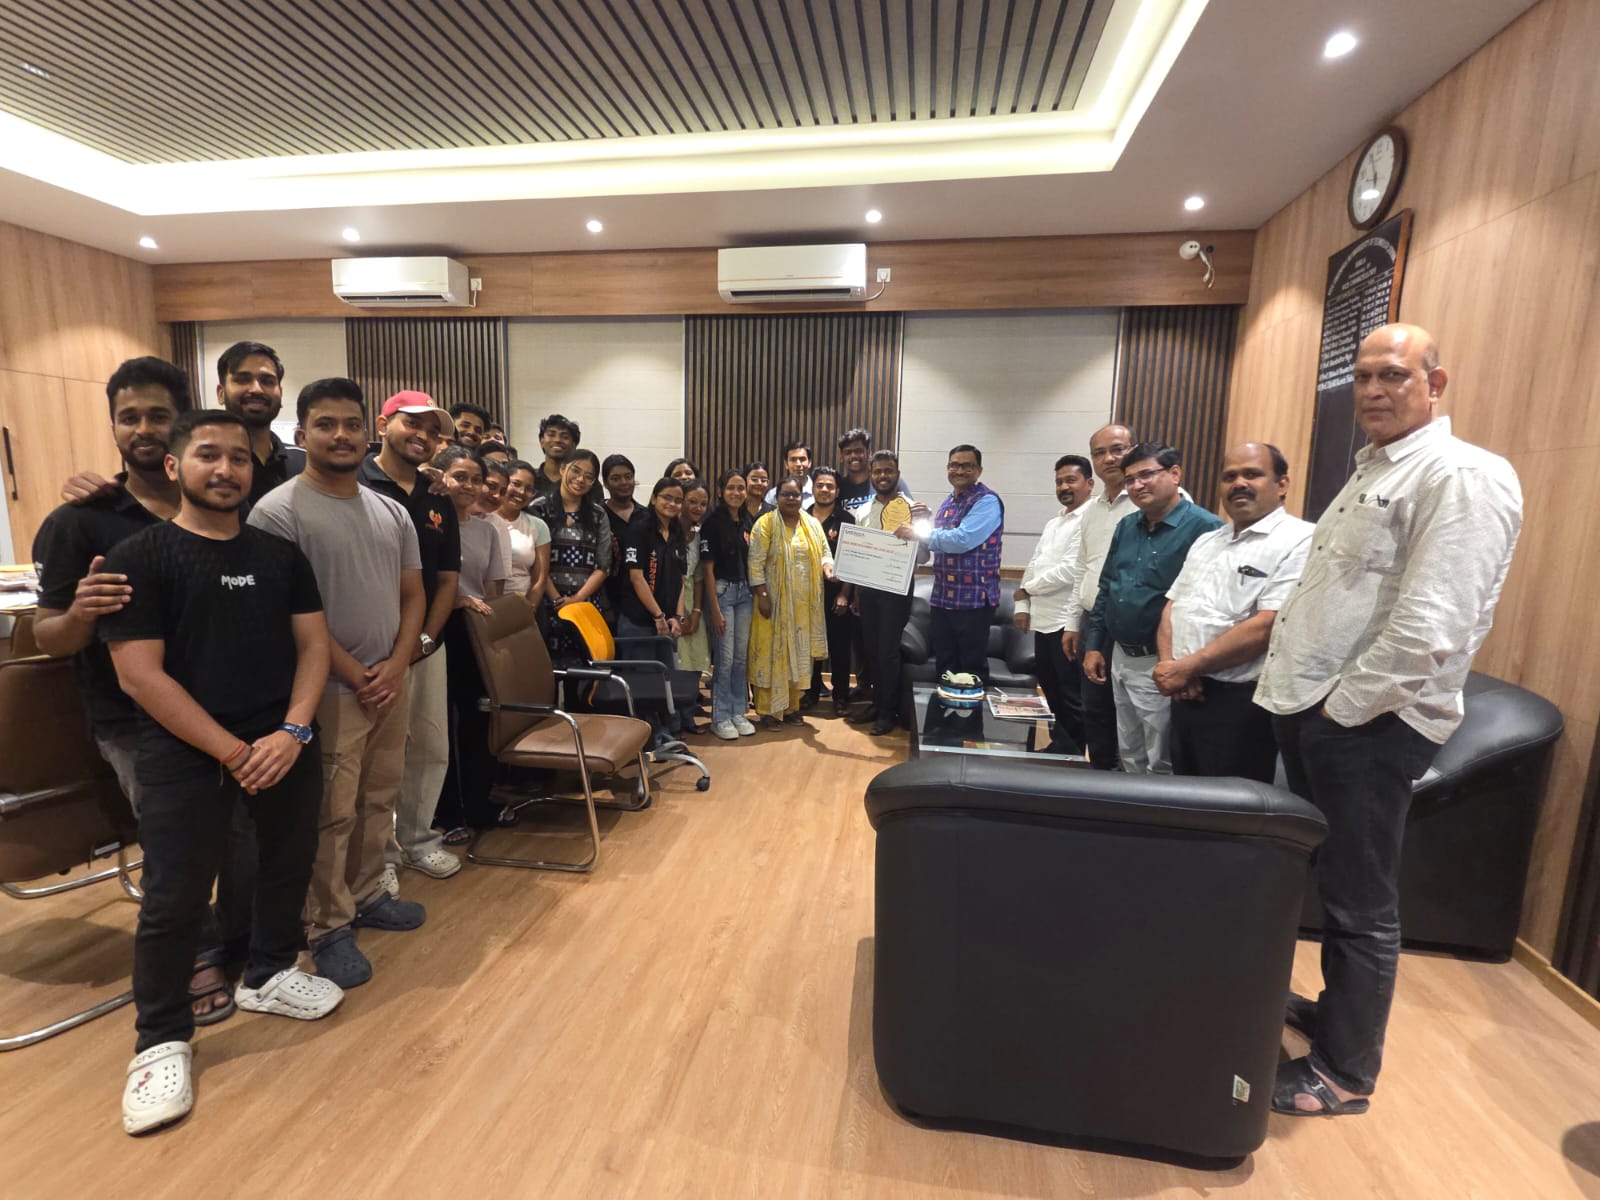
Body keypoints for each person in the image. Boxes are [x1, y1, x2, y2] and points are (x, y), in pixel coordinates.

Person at [1254, 324, 1522, 1118]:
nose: (1373, 390)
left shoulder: (1461, 474)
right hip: (1316, 707)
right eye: (1364, 375)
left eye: (1394, 375)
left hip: (1370, 721)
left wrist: (1341, 712)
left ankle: (1343, 1074)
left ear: (1435, 384)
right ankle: (1334, 1017)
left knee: (1360, 901)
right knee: (1335, 884)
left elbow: (1433, 623)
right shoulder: (1376, 467)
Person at [101, 409, 340, 1136]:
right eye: (209, 454)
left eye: (238, 457)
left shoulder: (279, 555)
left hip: (283, 739)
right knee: (174, 896)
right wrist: (234, 752)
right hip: (185, 751)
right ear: (176, 466)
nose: (226, 469)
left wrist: (293, 730)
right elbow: (140, 676)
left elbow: (314, 648)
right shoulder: (141, 556)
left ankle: (268, 972)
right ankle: (160, 1039)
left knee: (286, 862)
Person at [31, 357, 248, 1023]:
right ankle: (193, 960)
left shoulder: (220, 502)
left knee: (240, 836)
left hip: (229, 706)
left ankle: (240, 940)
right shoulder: (82, 522)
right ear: (113, 427)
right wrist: (82, 611)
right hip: (133, 719)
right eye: (129, 417)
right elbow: (50, 636)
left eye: (158, 415)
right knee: (175, 850)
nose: (143, 429)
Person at [247, 378, 427, 989]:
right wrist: (357, 673)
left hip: (390, 681)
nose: (341, 435)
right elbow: (289, 614)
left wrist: (398, 663)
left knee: (380, 798)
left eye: (351, 424)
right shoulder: (277, 513)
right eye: (326, 425)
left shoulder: (390, 510)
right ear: (302, 435)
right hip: (327, 689)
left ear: (367, 433)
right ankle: (327, 926)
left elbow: (412, 593)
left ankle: (367, 893)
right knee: (331, 814)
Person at [1155, 443, 1313, 781]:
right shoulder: (1207, 541)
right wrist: (1171, 666)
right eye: (1229, 477)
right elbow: (1173, 606)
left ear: (1282, 484)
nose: (1239, 483)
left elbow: (1267, 626)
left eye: (1252, 474)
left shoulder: (1302, 540)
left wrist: (1186, 667)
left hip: (1240, 705)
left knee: (1229, 803)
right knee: (1184, 794)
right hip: (1185, 692)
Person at [358, 391, 462, 885]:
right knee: (375, 760)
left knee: (429, 746)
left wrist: (423, 641)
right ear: (383, 425)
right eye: (412, 423)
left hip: (425, 647)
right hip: (370, 649)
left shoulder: (437, 494)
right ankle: (377, 858)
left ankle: (419, 840)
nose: (423, 435)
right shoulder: (355, 483)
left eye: (432, 430)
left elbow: (447, 579)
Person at [1081, 443, 1220, 774]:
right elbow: (1107, 586)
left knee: (1162, 758)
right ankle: (1130, 803)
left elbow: (1210, 608)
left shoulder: (1205, 529)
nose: (1137, 485)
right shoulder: (1127, 526)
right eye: (1130, 479)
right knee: (1129, 749)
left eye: (1146, 475)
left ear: (1175, 474)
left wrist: (1185, 665)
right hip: (1120, 655)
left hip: (1163, 662)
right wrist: (1095, 645)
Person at [58, 340, 303, 509]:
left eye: (267, 381)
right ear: (220, 393)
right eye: (242, 379)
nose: (256, 389)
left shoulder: (305, 464)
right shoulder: (201, 471)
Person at [427, 446, 508, 838]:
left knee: (477, 720)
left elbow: (493, 590)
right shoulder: (429, 523)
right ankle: (446, 814)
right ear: (442, 477)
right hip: (437, 626)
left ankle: (478, 803)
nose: (470, 486)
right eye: (460, 477)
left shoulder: (486, 530)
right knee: (440, 725)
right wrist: (456, 601)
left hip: (475, 630)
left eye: (477, 479)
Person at [1063, 424, 1138, 770]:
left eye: (1117, 449)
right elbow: (1082, 568)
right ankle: (1101, 779)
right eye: (1099, 453)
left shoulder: (1150, 502)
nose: (1109, 458)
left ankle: (1131, 787)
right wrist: (1071, 623)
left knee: (1131, 716)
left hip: (1132, 625)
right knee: (1095, 710)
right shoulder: (1092, 510)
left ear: (1133, 450)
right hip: (1092, 621)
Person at [897, 444, 1002, 680]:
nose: (960, 470)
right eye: (954, 465)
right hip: (943, 598)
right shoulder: (947, 504)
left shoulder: (987, 501)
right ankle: (944, 705)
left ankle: (971, 706)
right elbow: (935, 543)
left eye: (967, 466)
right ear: (947, 468)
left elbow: (962, 540)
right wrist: (919, 525)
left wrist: (917, 533)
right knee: (944, 667)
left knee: (970, 670)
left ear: (979, 470)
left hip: (974, 601)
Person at [1013, 454, 1094, 754]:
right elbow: (1035, 563)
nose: (1064, 487)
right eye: (1059, 481)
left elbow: (1070, 570)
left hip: (1067, 623)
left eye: (1071, 480)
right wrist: (1023, 605)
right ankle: (1058, 747)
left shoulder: (1090, 519)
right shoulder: (1054, 522)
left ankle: (1071, 754)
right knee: (1051, 689)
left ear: (1089, 483)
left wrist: (1027, 589)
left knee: (1072, 695)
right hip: (1043, 621)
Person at [748, 477, 835, 727]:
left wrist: (828, 568)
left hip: (803, 609)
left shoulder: (812, 524)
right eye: (785, 494)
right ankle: (768, 711)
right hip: (773, 604)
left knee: (798, 656)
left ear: (801, 497)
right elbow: (755, 562)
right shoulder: (765, 524)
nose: (791, 499)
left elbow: (825, 553)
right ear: (776, 498)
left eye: (795, 494)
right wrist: (763, 595)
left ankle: (791, 707)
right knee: (771, 656)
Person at [853, 450, 923, 735]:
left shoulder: (915, 510)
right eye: (878, 471)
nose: (883, 476)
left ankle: (888, 712)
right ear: (871, 475)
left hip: (897, 589)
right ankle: (877, 703)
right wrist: (856, 593)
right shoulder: (862, 511)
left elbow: (925, 556)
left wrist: (917, 533)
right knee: (871, 650)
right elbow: (858, 555)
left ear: (897, 473)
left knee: (888, 651)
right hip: (869, 590)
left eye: (888, 471)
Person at [618, 478, 690, 744]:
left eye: (678, 500)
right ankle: (649, 740)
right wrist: (658, 615)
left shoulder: (677, 532)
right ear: (654, 498)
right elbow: (636, 577)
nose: (672, 504)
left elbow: (681, 579)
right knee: (643, 685)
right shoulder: (639, 528)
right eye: (667, 498)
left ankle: (665, 735)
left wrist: (677, 617)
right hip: (639, 621)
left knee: (664, 682)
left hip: (666, 623)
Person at [530, 449, 613, 659]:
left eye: (588, 476)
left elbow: (603, 566)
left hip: (585, 604)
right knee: (546, 665)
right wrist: (557, 600)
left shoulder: (598, 514)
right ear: (562, 469)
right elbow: (536, 562)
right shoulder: (539, 509)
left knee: (586, 663)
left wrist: (577, 599)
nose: (581, 479)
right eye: (575, 471)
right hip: (546, 601)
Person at [700, 468, 756, 740]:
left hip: (745, 593)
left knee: (741, 658)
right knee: (725, 658)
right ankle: (720, 716)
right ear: (720, 491)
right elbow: (707, 569)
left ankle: (738, 711)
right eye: (731, 488)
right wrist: (714, 608)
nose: (737, 492)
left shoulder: (746, 520)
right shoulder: (712, 522)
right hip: (722, 592)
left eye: (741, 488)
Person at [800, 467, 856, 715]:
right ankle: (810, 693)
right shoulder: (801, 517)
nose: (824, 490)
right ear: (812, 489)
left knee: (839, 647)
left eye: (830, 486)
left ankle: (840, 696)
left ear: (837, 491)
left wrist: (845, 594)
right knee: (809, 646)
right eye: (820, 485)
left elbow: (851, 560)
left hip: (836, 594)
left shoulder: (846, 519)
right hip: (806, 594)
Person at [491, 459, 552, 604]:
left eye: (529, 489)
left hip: (523, 604)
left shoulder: (538, 526)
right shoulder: (483, 518)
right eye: (516, 484)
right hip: (482, 604)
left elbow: (540, 579)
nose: (521, 492)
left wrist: (528, 610)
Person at [674, 478, 713, 692]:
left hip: (692, 597)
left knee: (694, 651)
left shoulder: (700, 534)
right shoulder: (669, 530)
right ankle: (676, 705)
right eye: (692, 502)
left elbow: (698, 576)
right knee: (676, 654)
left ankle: (689, 701)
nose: (698, 508)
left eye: (703, 503)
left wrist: (697, 611)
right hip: (671, 596)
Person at [601, 453, 641, 621]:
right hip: (606, 600)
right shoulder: (598, 515)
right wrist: (605, 605)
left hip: (640, 603)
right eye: (616, 478)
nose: (624, 482)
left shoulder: (646, 516)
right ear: (605, 483)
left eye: (628, 477)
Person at [533, 412, 580, 502]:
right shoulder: (530, 479)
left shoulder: (581, 482)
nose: (557, 440)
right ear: (541, 441)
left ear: (574, 445)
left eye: (565, 437)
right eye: (551, 435)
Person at [763, 441, 814, 507]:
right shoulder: (773, 495)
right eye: (793, 460)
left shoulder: (819, 493)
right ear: (786, 464)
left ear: (809, 462)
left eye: (802, 459)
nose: (798, 464)